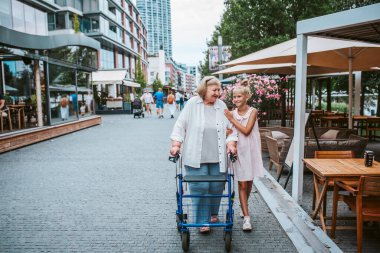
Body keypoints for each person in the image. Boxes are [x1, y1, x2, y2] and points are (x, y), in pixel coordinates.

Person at [170, 76, 237, 233]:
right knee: (199, 187)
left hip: (218, 156)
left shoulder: (221, 106)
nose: (218, 93)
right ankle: (202, 221)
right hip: (195, 157)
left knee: (216, 186)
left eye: (219, 90)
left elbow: (231, 128)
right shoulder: (193, 103)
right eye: (214, 90)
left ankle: (213, 214)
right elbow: (180, 125)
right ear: (204, 90)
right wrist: (176, 145)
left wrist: (232, 143)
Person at [224, 80, 264, 231]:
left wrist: (231, 119)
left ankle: (243, 205)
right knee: (242, 183)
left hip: (251, 150)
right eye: (234, 97)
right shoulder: (231, 114)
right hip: (239, 150)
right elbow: (229, 131)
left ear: (246, 97)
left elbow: (247, 130)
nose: (235, 99)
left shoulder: (252, 111)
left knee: (249, 182)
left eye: (239, 96)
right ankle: (247, 218)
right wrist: (227, 130)